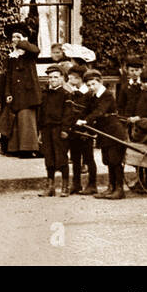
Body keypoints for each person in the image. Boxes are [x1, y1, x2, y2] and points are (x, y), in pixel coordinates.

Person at [78, 68, 125, 199]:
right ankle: (111, 187)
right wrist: (78, 118)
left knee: (115, 160)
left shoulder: (107, 95)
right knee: (108, 159)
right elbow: (85, 110)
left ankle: (119, 189)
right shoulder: (91, 96)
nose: (91, 87)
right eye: (88, 85)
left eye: (94, 84)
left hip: (114, 131)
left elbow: (99, 111)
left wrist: (85, 121)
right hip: (103, 131)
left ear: (100, 82)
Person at [0, 22, 41, 155]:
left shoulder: (29, 54)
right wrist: (8, 93)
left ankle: (28, 149)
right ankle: (15, 149)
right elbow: (9, 77)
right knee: (15, 121)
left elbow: (36, 50)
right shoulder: (12, 57)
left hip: (28, 95)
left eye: (17, 37)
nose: (14, 40)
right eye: (13, 37)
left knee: (26, 120)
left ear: (23, 38)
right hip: (16, 95)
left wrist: (22, 42)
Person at [62, 66, 98, 195]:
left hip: (86, 130)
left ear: (80, 79)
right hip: (75, 131)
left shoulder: (89, 94)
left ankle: (92, 184)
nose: (70, 79)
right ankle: (76, 184)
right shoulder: (72, 93)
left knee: (88, 158)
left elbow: (93, 113)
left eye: (73, 77)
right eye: (70, 77)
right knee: (75, 158)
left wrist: (89, 128)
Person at [38, 64, 69, 196]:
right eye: (50, 77)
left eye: (55, 77)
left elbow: (68, 114)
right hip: (46, 129)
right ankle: (50, 186)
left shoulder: (66, 95)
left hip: (59, 129)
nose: (52, 80)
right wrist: (40, 131)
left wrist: (65, 129)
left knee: (61, 157)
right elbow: (41, 113)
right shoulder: (44, 94)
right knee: (48, 157)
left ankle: (65, 186)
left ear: (62, 78)